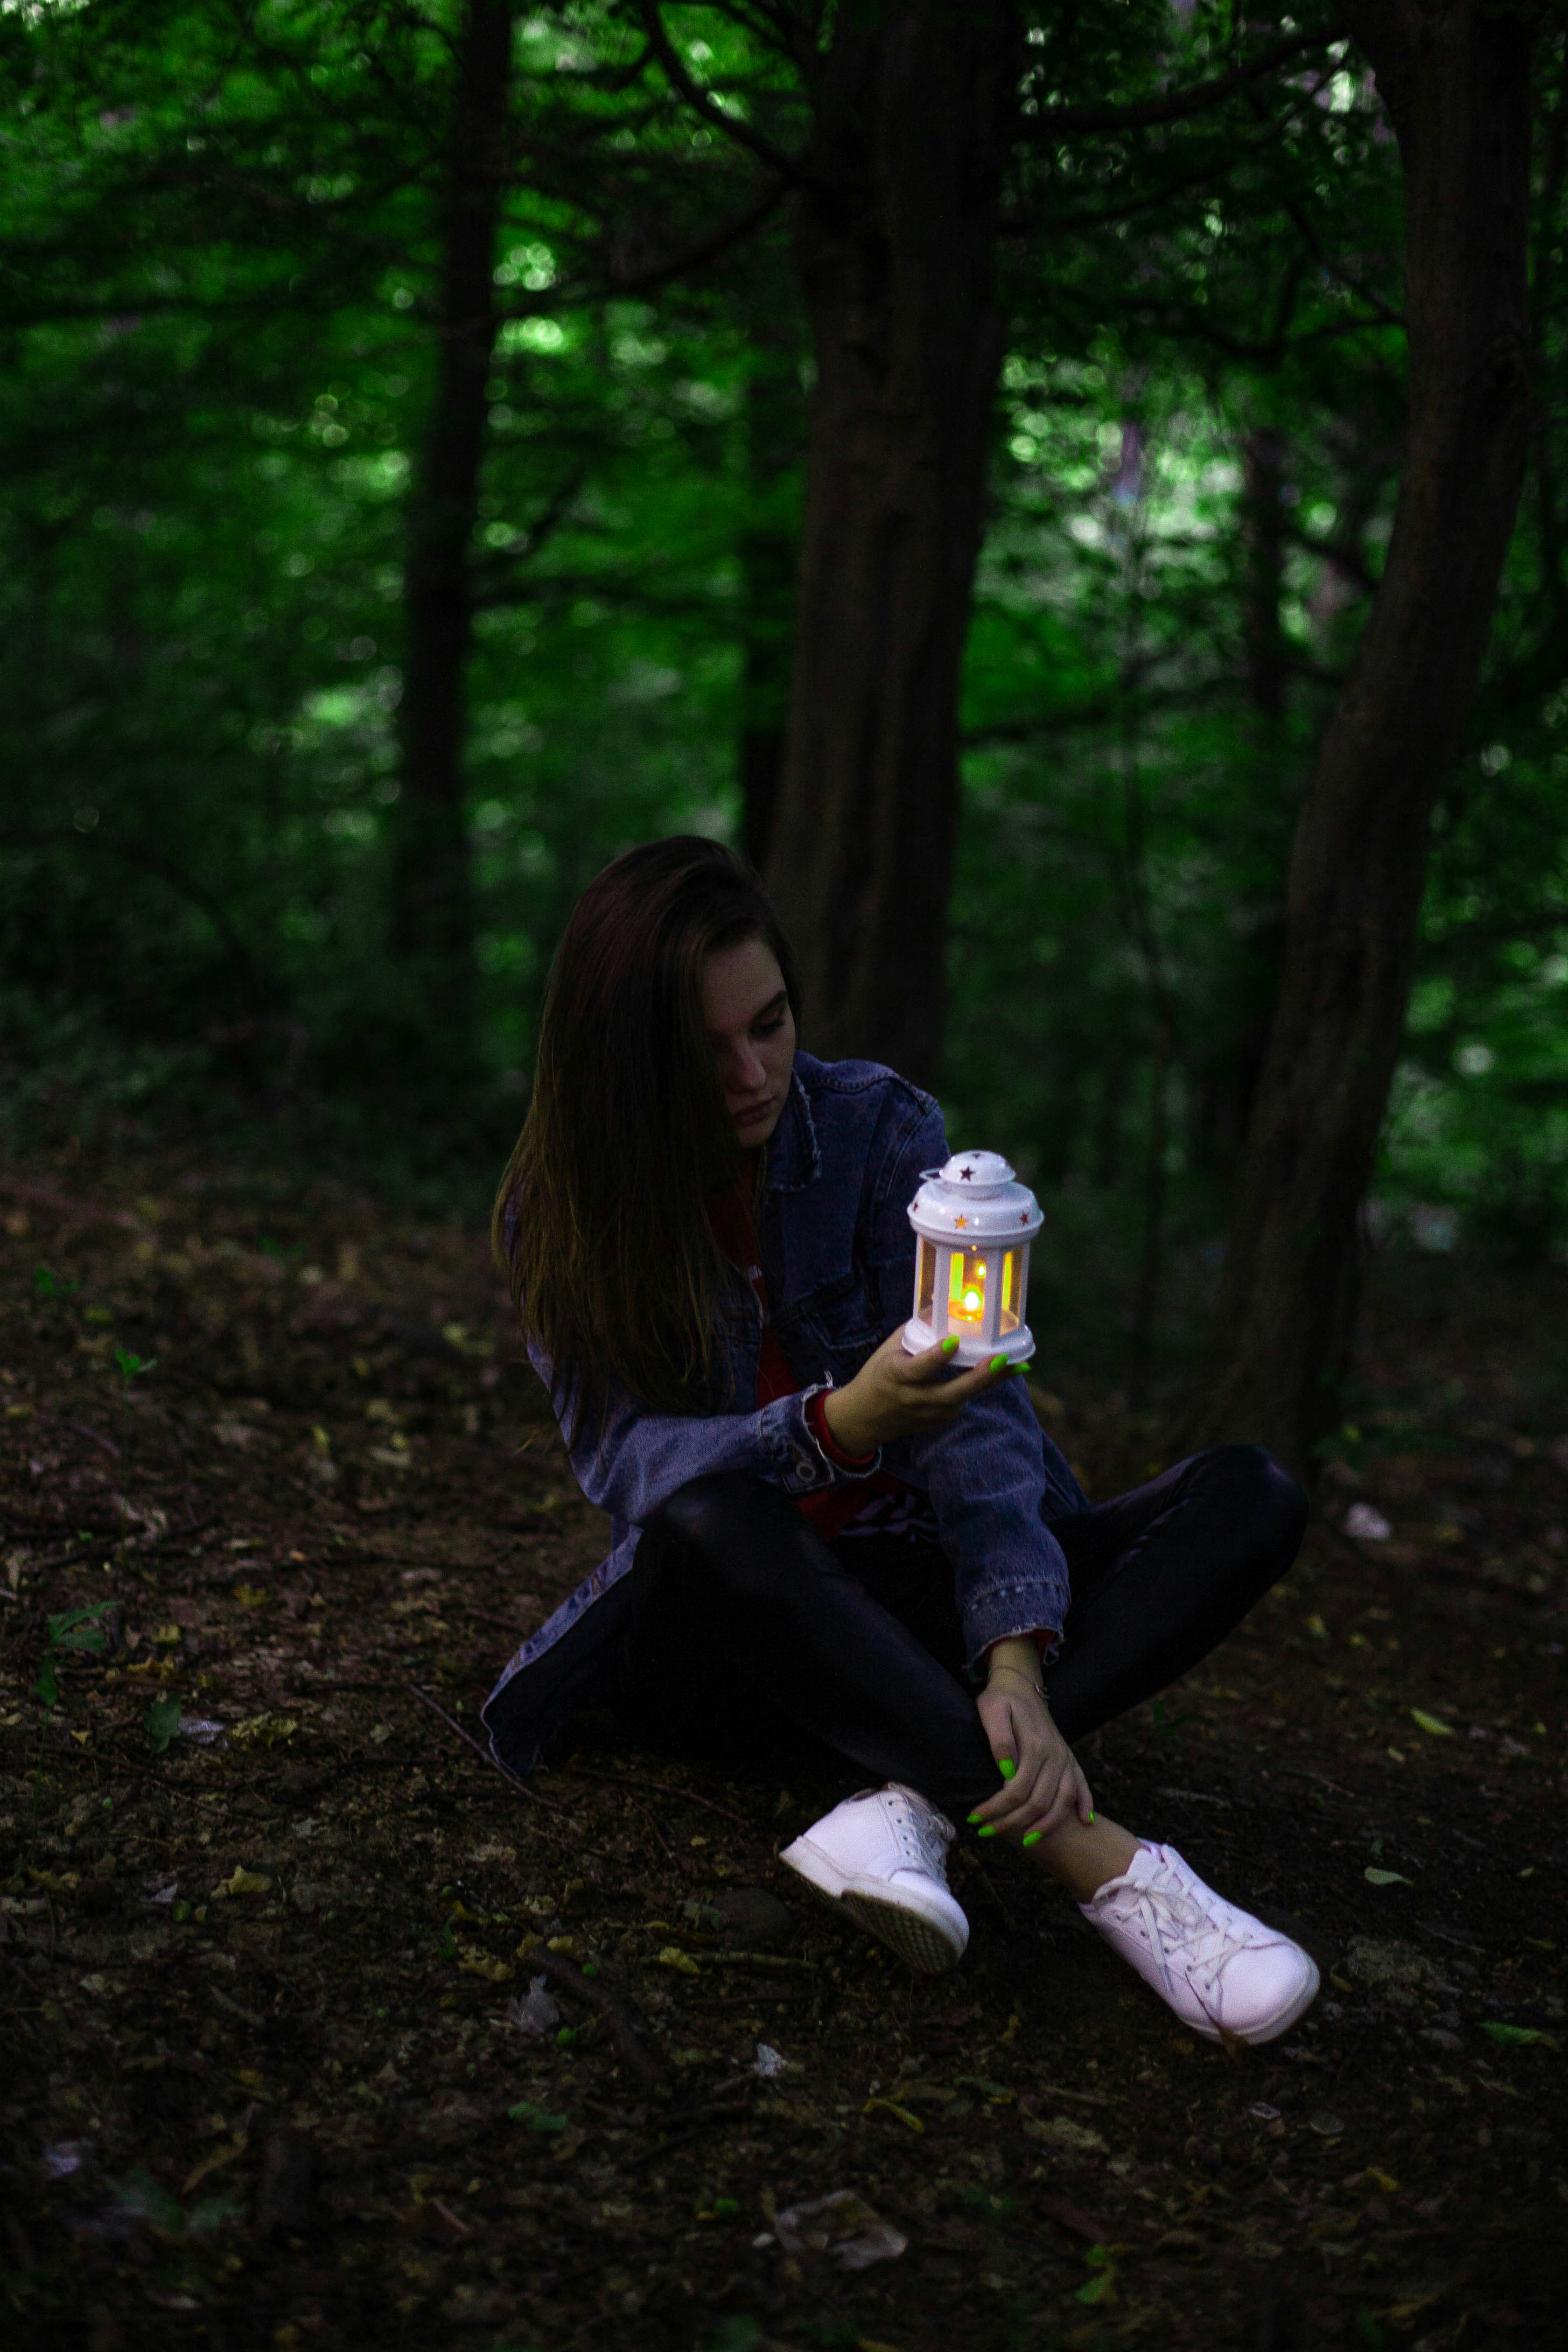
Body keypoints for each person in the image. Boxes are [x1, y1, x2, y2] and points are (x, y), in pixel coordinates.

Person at [483, 837, 1318, 2045]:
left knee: (1250, 1495)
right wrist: (836, 1426)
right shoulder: (563, 1204)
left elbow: (981, 1413)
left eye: (768, 1024)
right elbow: (625, 1465)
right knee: (713, 1512)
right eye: (701, 1051)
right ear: (624, 1063)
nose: (750, 1073)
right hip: (735, 1635)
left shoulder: (877, 1133)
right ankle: (1109, 1871)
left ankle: (913, 1801)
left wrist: (1015, 1662)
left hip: (917, 1607)